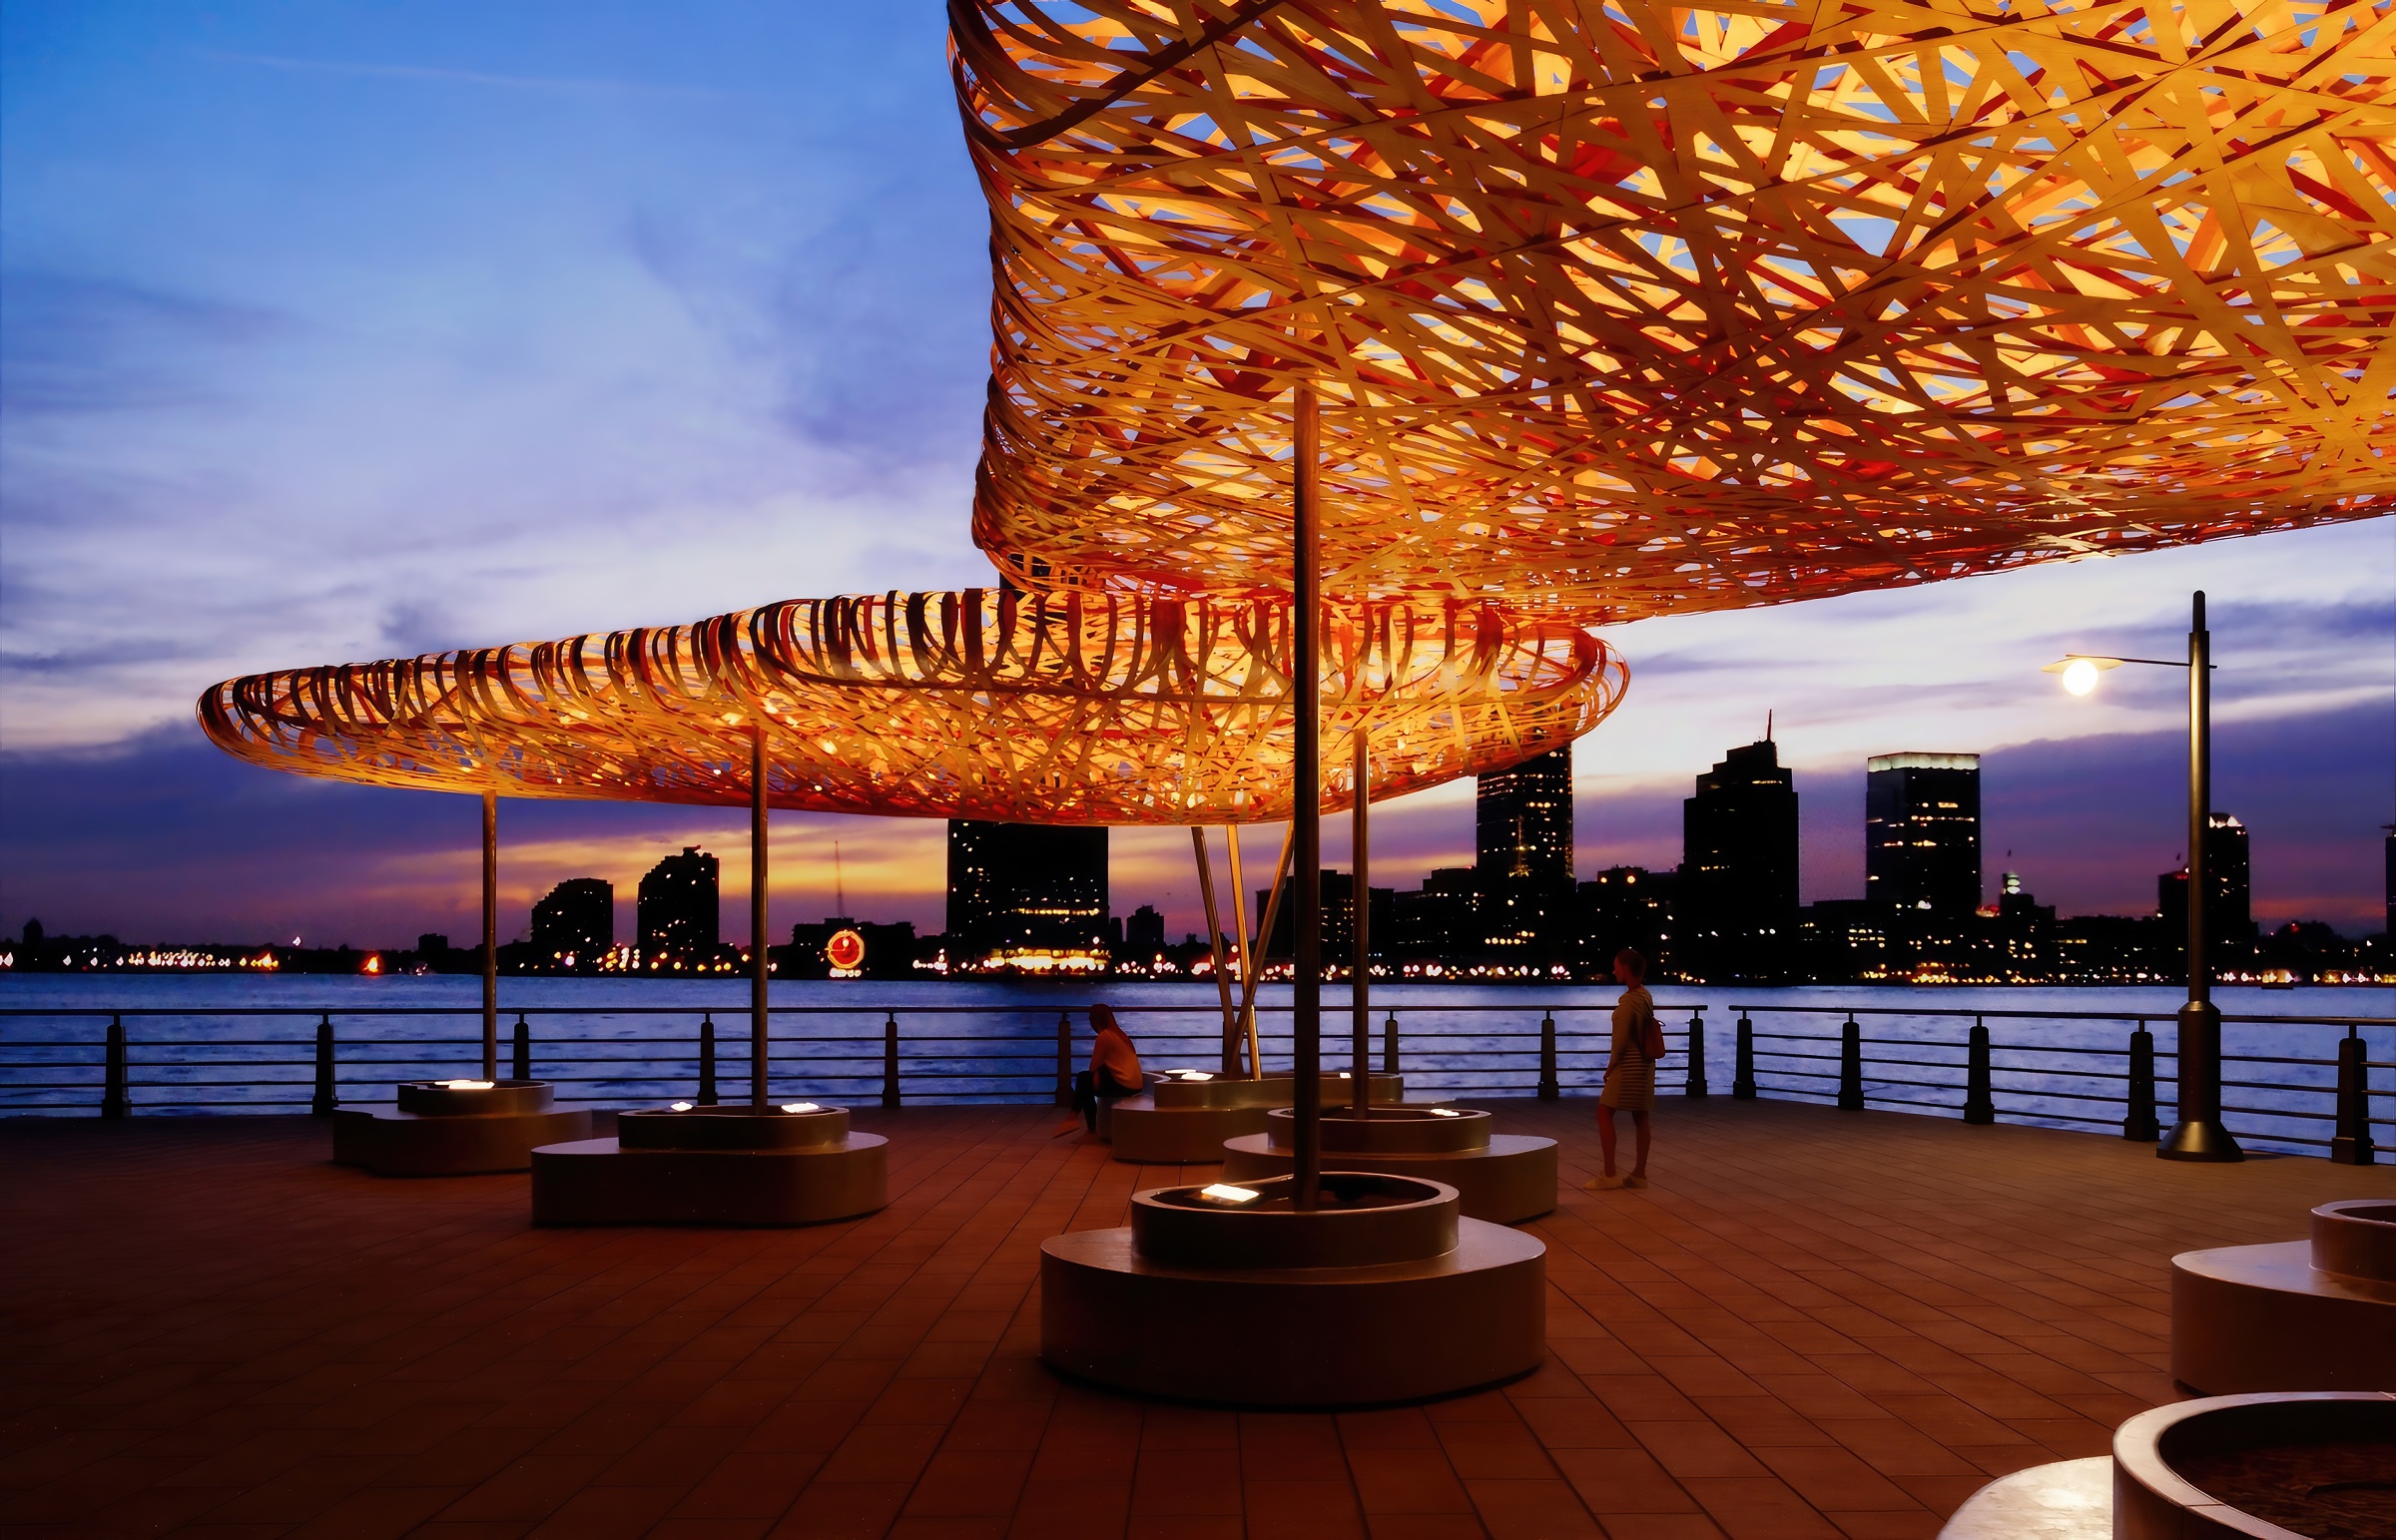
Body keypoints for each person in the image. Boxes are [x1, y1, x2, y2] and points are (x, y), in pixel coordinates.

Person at [1585, 948, 1654, 1190]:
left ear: (1625, 968)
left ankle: (1609, 1173)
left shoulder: (1628, 1002)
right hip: (1645, 1064)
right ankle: (1639, 1174)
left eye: (1616, 967)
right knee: (1641, 1115)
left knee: (1603, 1112)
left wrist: (1610, 1068)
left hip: (1628, 1067)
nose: (1613, 971)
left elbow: (1620, 1043)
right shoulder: (1645, 996)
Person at [1058, 1003, 1144, 1135]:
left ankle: (1083, 1124)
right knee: (1086, 1080)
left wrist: (1098, 1074)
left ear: (1095, 1021)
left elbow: (1092, 1068)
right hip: (1135, 1084)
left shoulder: (1105, 1036)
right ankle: (1075, 1119)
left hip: (1124, 1086)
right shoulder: (1120, 1034)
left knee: (1084, 1080)